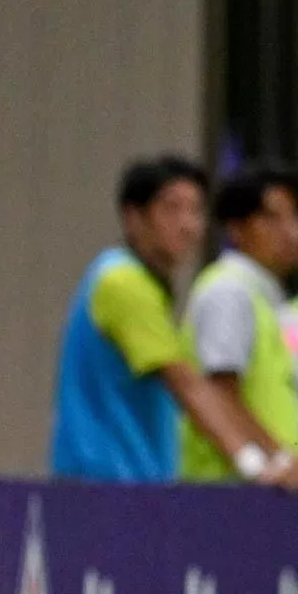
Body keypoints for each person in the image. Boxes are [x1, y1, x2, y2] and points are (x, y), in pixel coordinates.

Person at [49, 154, 293, 485]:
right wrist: (257, 465)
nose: (188, 225)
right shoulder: (122, 281)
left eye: (195, 211)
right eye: (172, 209)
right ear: (134, 217)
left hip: (135, 483)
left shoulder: (145, 285)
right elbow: (186, 385)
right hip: (103, 484)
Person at [180, 164, 298, 485]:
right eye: (272, 218)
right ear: (237, 228)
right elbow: (220, 394)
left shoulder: (271, 300)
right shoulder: (229, 291)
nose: (290, 231)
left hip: (272, 490)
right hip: (230, 492)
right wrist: (278, 459)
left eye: (293, 216)